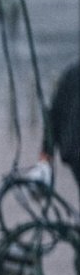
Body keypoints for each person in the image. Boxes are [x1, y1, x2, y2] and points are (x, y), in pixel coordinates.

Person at [42, 60, 79, 193]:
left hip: (73, 150)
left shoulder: (71, 74)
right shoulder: (72, 74)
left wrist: (46, 153)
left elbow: (54, 116)